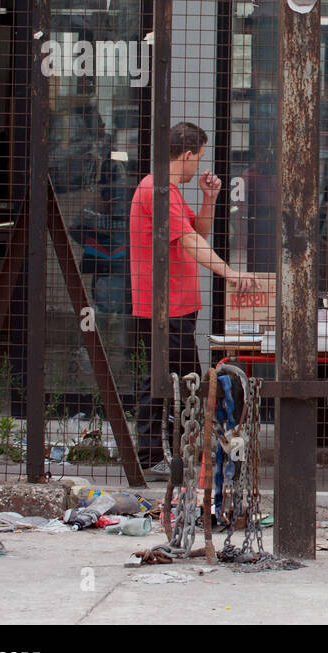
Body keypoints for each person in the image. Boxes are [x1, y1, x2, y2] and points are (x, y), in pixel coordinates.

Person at [129, 122, 258, 477]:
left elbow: (197, 231)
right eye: (198, 158)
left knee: (179, 380)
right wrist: (230, 273)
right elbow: (190, 242)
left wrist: (209, 198)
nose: (199, 165)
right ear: (186, 155)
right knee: (170, 381)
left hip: (177, 305)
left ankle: (170, 452)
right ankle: (154, 454)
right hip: (163, 306)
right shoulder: (155, 190)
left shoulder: (168, 191)